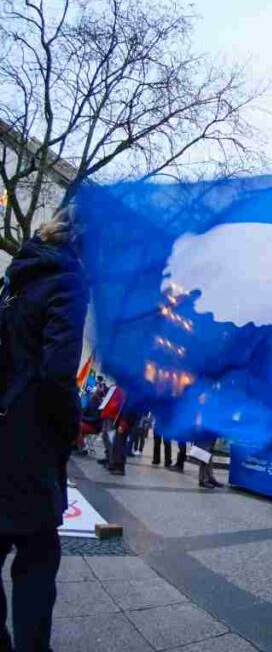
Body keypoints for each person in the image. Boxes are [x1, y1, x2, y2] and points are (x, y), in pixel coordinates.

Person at [0, 211, 87, 651]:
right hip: (31, 440)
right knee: (37, 557)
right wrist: (70, 426)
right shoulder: (69, 279)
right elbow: (58, 372)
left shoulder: (19, 273)